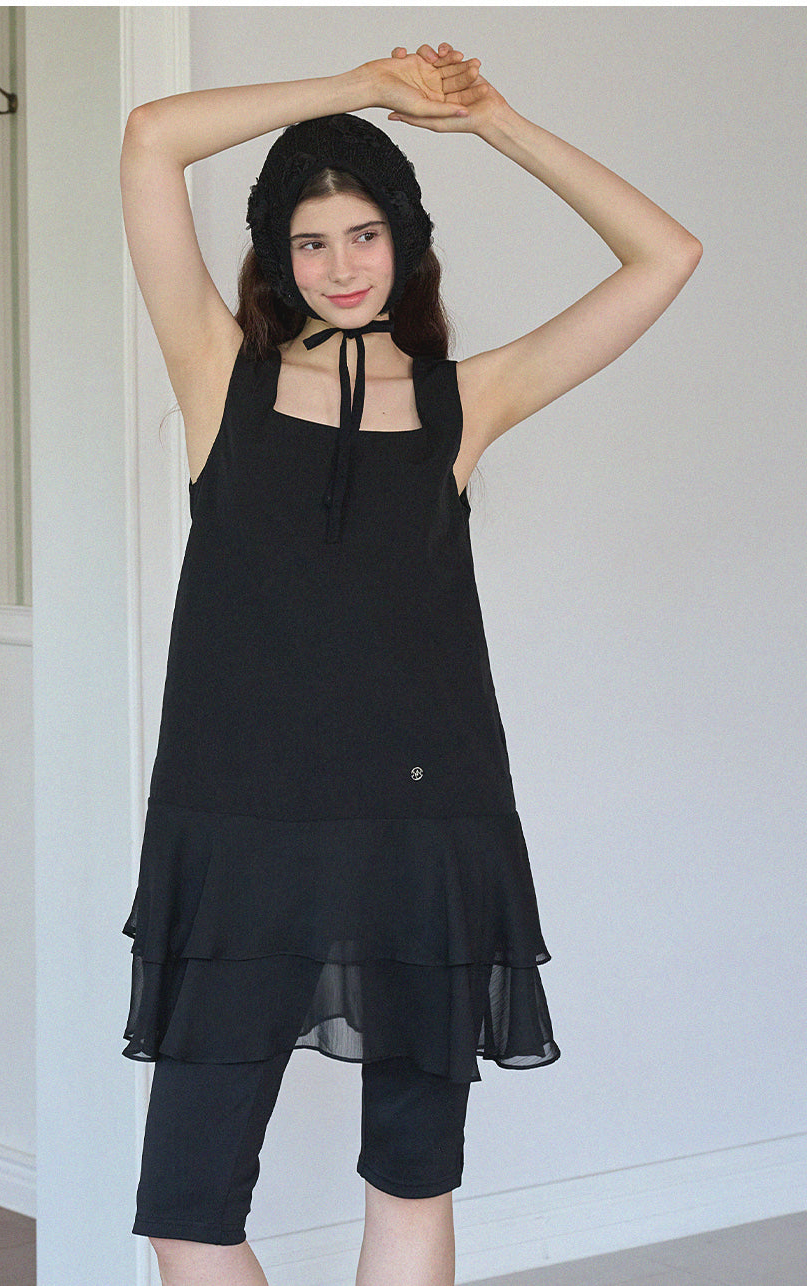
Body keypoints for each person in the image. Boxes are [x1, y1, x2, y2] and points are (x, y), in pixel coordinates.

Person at [119, 39, 701, 1286]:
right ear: (275, 253)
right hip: (240, 828)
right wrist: (361, 90)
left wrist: (492, 121)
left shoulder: (464, 401)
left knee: (410, 1176)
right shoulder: (217, 378)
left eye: (365, 234)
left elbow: (664, 255)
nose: (340, 266)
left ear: (406, 241)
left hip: (426, 828)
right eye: (310, 241)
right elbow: (152, 137)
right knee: (186, 1205)